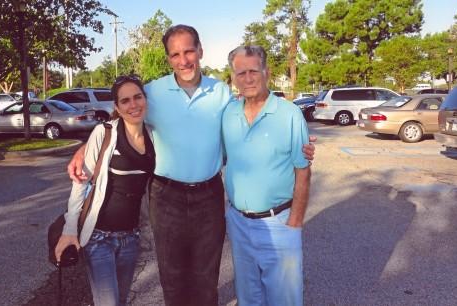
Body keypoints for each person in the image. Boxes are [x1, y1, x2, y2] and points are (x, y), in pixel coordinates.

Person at [67, 25, 316, 306]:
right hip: (165, 196)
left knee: (205, 278)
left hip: (208, 196)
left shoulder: (221, 92)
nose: (183, 60)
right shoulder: (152, 92)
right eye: (175, 54)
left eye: (188, 51)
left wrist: (300, 141)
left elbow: (250, 122)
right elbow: (123, 116)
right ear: (168, 58)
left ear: (200, 51)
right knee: (172, 278)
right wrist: (85, 147)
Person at [55, 75, 155, 306]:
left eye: (137, 97)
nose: (133, 105)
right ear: (117, 107)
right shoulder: (105, 133)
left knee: (119, 300)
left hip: (131, 237)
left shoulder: (153, 135)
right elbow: (80, 183)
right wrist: (70, 230)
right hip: (100, 237)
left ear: (145, 99)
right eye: (126, 100)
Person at [223, 45, 311, 306]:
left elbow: (303, 172)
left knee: (284, 299)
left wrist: (294, 222)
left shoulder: (289, 114)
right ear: (233, 78)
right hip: (239, 224)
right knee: (249, 297)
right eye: (240, 73)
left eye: (253, 71)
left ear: (267, 73)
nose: (247, 78)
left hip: (279, 222)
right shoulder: (228, 115)